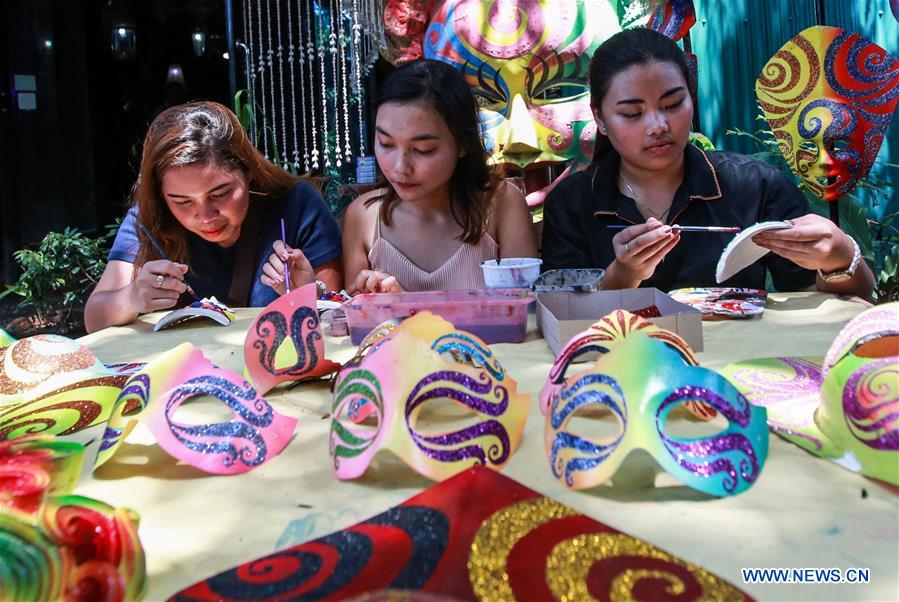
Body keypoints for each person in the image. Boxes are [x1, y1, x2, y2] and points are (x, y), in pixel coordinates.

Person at [541, 28, 875, 299]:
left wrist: (841, 258)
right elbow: (558, 319)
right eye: (633, 113)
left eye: (673, 104)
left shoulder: (755, 187)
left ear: (691, 98)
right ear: (599, 118)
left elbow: (824, 301)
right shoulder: (572, 203)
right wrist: (621, 277)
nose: (657, 125)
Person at [85, 101, 343, 333]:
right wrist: (131, 298)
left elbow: (335, 318)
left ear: (248, 171)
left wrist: (307, 293)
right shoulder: (151, 217)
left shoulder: (297, 205)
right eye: (182, 201)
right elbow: (94, 318)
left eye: (220, 193)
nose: (205, 215)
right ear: (162, 196)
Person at [341, 59, 537, 294]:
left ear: (462, 143)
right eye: (386, 144)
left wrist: (409, 308)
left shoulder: (502, 203)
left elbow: (524, 316)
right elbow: (356, 322)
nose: (400, 166)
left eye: (423, 150)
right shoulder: (363, 216)